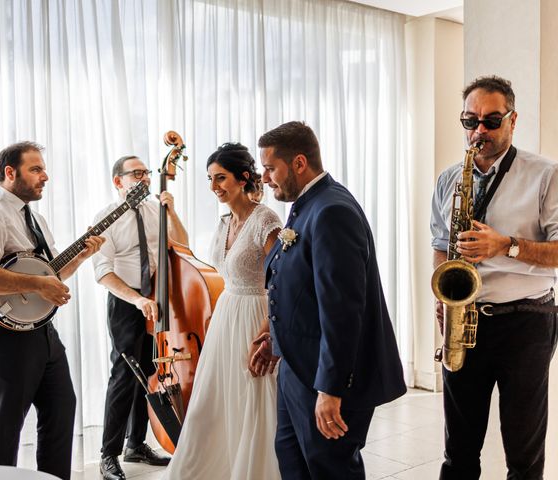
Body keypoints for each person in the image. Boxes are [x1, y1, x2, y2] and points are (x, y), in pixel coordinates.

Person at [251, 121, 406, 479]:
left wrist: (330, 389)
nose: (265, 178)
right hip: (295, 368)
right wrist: (276, 341)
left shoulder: (332, 211)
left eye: (271, 168)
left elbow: (342, 311)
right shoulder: (307, 204)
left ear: (300, 163)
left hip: (325, 377)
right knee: (293, 463)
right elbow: (298, 287)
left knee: (330, 469)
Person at [430, 75, 558, 479]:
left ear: (513, 120)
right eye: (470, 121)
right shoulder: (450, 178)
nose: (479, 131)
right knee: (459, 449)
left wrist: (506, 246)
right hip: (466, 320)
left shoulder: (545, 175)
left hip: (527, 321)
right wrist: (443, 298)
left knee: (522, 450)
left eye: (491, 121)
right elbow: (440, 244)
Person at [0, 141, 105, 480]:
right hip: (3, 335)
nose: (46, 176)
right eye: (35, 169)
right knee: (9, 420)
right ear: (10, 173)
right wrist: (39, 286)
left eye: (43, 168)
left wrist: (82, 255)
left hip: (42, 332)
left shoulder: (34, 217)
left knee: (61, 409)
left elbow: (50, 272)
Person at [162, 143, 282, 480]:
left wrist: (268, 328)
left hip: (255, 314)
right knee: (213, 401)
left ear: (244, 178)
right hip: (225, 315)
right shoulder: (224, 221)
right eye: (210, 179)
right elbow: (194, 256)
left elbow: (280, 279)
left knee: (253, 397)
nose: (215, 186)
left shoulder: (266, 219)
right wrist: (170, 214)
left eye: (221, 178)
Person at [93, 155, 188, 480]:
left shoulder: (154, 211)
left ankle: (136, 444)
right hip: (127, 302)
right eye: (137, 173)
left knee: (149, 372)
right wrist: (136, 299)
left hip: (158, 300)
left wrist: (171, 211)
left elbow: (182, 246)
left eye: (147, 172)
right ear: (118, 181)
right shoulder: (106, 218)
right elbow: (103, 272)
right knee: (124, 373)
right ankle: (108, 454)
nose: (145, 178)